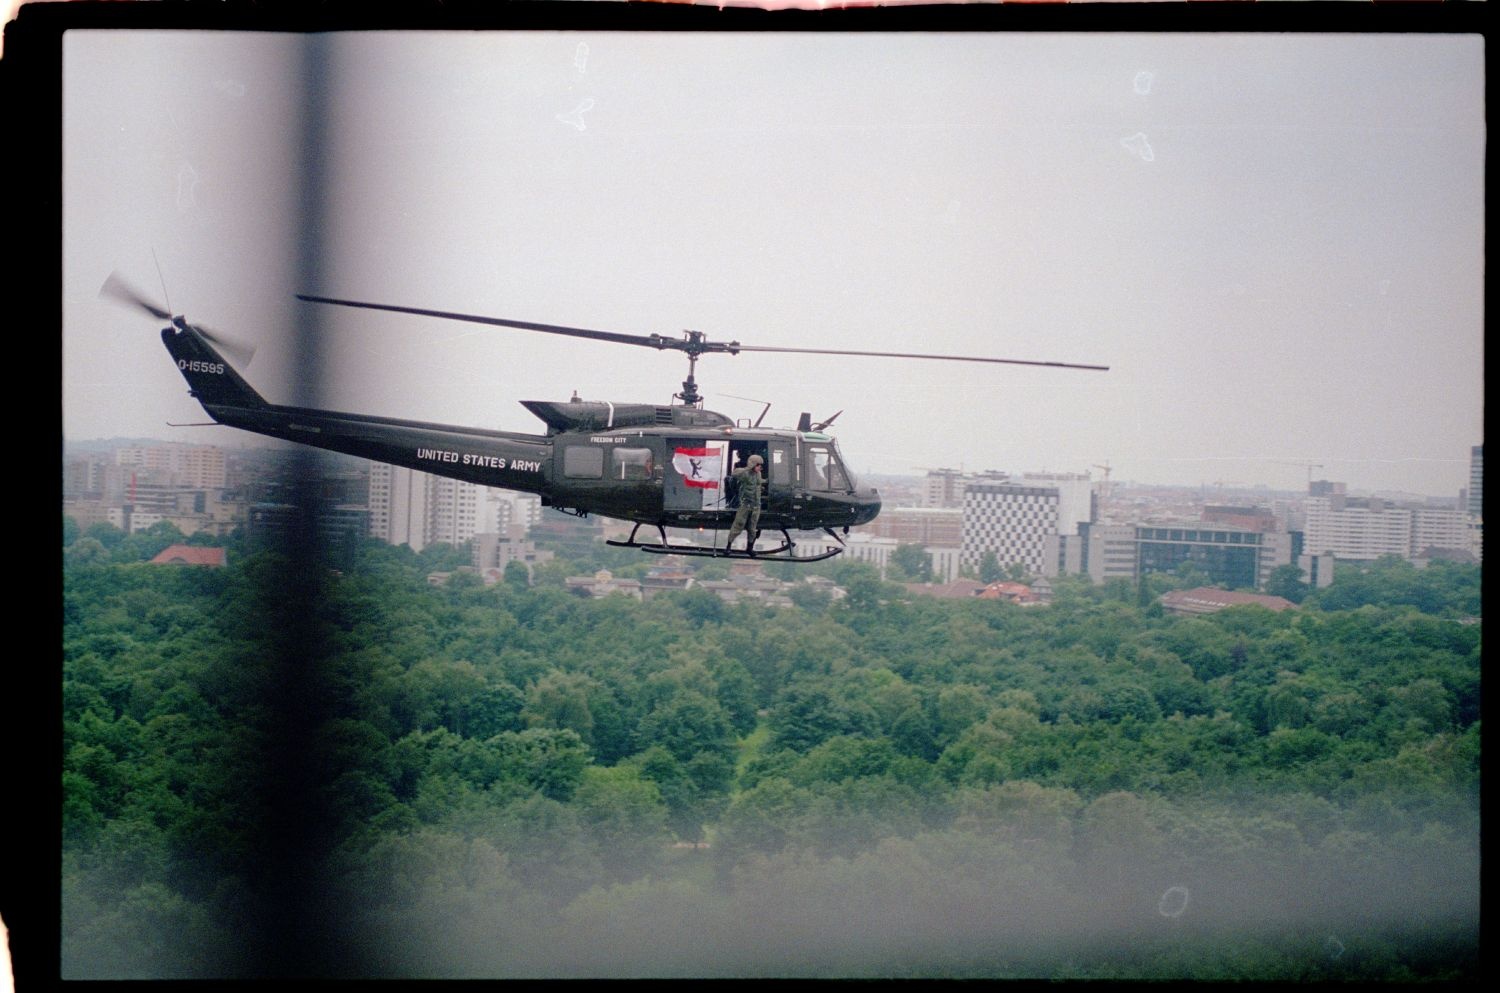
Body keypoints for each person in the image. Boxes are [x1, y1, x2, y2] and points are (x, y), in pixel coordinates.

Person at [724, 453, 763, 553]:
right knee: (738, 524)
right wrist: (747, 468)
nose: (760, 467)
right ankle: (728, 546)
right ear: (753, 465)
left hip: (756, 506)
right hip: (745, 505)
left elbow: (759, 483)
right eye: (758, 465)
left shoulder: (758, 474)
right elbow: (734, 473)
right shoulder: (744, 473)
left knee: (752, 528)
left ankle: (749, 548)